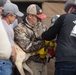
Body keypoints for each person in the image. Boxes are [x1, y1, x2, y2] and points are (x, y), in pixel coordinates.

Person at [41, 0, 76, 75]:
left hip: (65, 60)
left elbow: (49, 35)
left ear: (72, 8)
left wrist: (41, 35)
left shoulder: (64, 17)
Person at [14, 4, 48, 75]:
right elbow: (27, 47)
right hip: (31, 63)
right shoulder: (19, 29)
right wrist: (45, 42)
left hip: (44, 62)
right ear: (30, 16)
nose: (39, 20)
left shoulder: (41, 26)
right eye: (38, 18)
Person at [1, 2, 23, 75]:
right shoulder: (8, 29)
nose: (16, 19)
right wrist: (14, 62)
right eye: (15, 16)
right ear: (9, 15)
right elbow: (12, 52)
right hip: (4, 63)